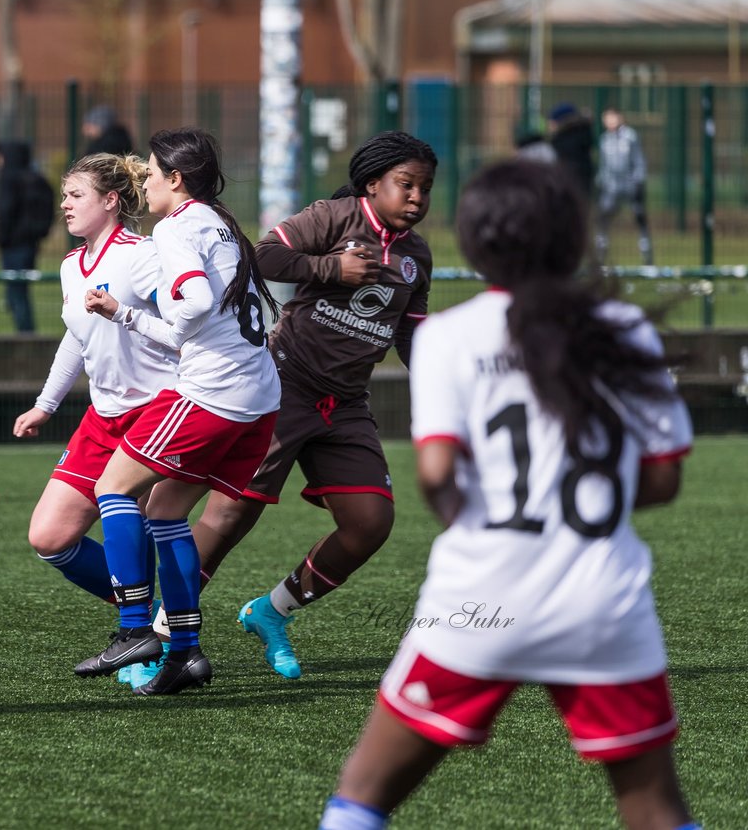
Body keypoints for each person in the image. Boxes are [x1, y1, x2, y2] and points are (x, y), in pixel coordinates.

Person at [316, 158, 698, 830]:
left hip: (479, 603)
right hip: (602, 603)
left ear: (476, 240)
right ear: (573, 240)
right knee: (656, 811)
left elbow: (436, 473)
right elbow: (664, 478)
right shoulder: (622, 329)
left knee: (362, 797)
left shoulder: (448, 338)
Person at [186, 131, 435, 681]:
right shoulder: (334, 217)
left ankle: (270, 612)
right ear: (374, 184)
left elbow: (413, 336)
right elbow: (265, 254)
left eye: (426, 189)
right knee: (230, 513)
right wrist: (332, 270)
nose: (417, 197)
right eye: (406, 184)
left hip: (345, 403)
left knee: (370, 523)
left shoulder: (417, 256)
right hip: (284, 385)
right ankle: (161, 632)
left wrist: (449, 387)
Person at [79, 127, 281, 696]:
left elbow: (190, 306)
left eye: (149, 171)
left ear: (176, 179)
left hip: (214, 393)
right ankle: (187, 653)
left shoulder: (175, 226)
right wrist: (125, 313)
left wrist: (165, 304)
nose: (143, 179)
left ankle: (135, 628)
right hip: (258, 399)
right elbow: (193, 327)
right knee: (165, 512)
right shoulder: (220, 222)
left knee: (113, 489)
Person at [12, 151, 178, 687]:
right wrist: (46, 404)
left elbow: (183, 328)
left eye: (75, 195)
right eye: (64, 195)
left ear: (110, 201)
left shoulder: (143, 256)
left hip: (157, 411)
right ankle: (149, 616)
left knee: (149, 520)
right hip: (102, 417)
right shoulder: (69, 265)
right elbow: (76, 337)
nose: (64, 205)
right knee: (49, 536)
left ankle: (140, 632)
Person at [0, 140, 54, 333]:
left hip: (12, 244)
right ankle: (25, 331)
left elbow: (5, 211)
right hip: (30, 243)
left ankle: (25, 334)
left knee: (16, 292)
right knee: (20, 289)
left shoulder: (8, 179)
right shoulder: (37, 179)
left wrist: (2, 238)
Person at [596, 107, 654, 266]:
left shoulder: (630, 137)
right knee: (603, 220)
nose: (610, 121)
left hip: (630, 185)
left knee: (639, 217)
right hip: (612, 187)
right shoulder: (604, 139)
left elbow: (638, 160)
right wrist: (602, 182)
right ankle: (601, 256)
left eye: (612, 117)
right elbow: (604, 166)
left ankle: (647, 257)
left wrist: (638, 181)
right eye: (607, 118)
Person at [547, 102, 595, 201]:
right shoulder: (582, 134)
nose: (549, 126)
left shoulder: (564, 142)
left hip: (569, 189)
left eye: (552, 123)